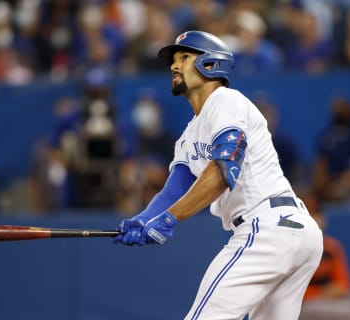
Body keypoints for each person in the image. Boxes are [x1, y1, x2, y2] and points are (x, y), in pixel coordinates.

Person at [113, 30, 323, 320]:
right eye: (174, 60)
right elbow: (172, 192)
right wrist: (143, 219)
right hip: (294, 231)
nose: (174, 66)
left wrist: (169, 219)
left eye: (184, 57)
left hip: (265, 228)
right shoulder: (188, 137)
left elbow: (225, 170)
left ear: (211, 64)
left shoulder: (225, 100)